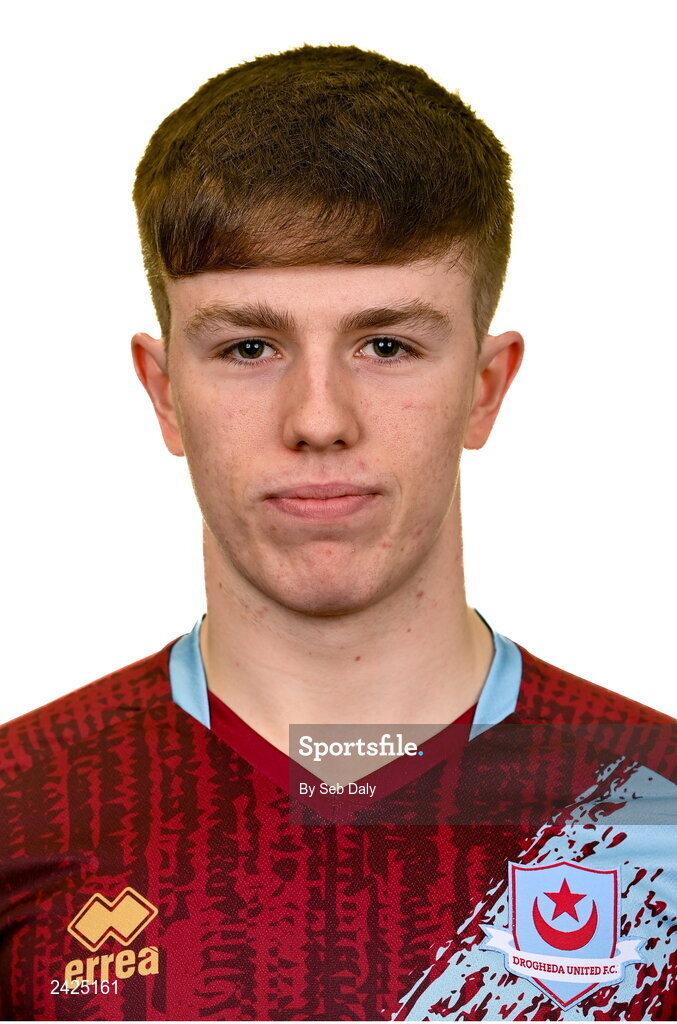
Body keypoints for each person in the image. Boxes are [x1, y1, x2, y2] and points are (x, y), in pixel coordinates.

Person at [0, 43, 674, 1023]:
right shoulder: (22, 809)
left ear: (482, 390)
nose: (318, 417)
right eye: (248, 347)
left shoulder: (651, 811)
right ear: (164, 393)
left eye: (386, 344)